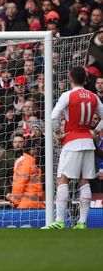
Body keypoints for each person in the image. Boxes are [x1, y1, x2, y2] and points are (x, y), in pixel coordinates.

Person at [43, 66, 103, 230]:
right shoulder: (93, 96)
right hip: (88, 142)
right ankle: (82, 223)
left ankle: (60, 221)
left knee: (62, 179)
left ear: (70, 78)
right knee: (84, 182)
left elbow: (54, 116)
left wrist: (57, 133)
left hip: (72, 141)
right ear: (85, 79)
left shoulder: (67, 95)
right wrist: (95, 132)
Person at [7, 139, 45, 209]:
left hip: (33, 204)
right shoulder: (27, 162)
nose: (36, 151)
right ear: (29, 149)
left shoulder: (30, 162)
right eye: (34, 149)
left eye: (37, 149)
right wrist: (14, 201)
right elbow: (20, 183)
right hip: (27, 205)